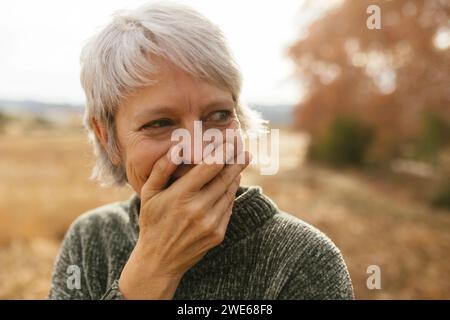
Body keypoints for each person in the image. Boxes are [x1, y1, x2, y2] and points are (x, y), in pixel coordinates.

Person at [48, 2, 354, 300]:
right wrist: (152, 272)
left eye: (218, 115)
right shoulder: (90, 242)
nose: (196, 151)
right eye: (160, 123)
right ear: (106, 138)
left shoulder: (304, 261)